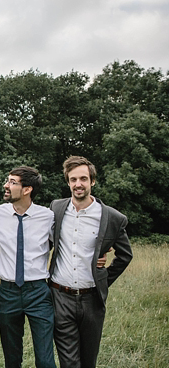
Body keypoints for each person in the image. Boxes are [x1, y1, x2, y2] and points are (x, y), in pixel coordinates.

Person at [49, 156, 133, 368]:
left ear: (92, 181)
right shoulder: (56, 208)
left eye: (83, 179)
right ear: (68, 182)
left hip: (92, 300)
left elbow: (125, 255)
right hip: (60, 297)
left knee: (88, 361)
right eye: (73, 179)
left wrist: (103, 278)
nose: (78, 184)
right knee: (68, 362)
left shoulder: (112, 217)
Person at [0, 166, 56, 368]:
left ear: (27, 189)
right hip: (7, 292)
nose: (6, 185)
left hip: (38, 293)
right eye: (8, 181)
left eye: (12, 182)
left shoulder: (47, 217)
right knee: (12, 358)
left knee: (45, 360)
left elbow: (66, 244)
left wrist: (100, 253)